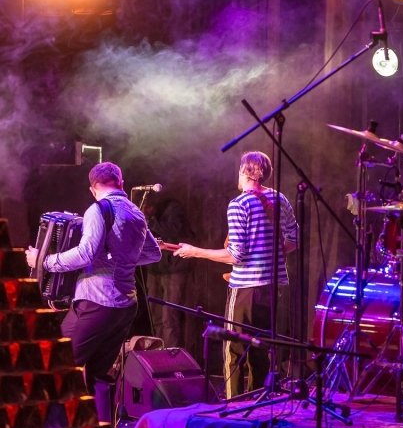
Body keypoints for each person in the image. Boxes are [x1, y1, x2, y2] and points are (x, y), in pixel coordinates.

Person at [25, 162, 162, 394]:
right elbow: (153, 253)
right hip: (125, 306)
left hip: (97, 302)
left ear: (92, 188)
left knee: (56, 365)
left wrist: (43, 261)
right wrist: (120, 259)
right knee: (99, 376)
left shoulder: (98, 209)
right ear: (122, 183)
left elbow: (85, 253)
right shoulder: (136, 212)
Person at [173, 151, 298, 398]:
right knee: (262, 348)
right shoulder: (280, 199)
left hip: (246, 290)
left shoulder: (239, 204)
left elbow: (235, 256)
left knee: (235, 350)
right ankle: (259, 406)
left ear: (244, 171)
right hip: (274, 287)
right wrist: (267, 258)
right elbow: (293, 241)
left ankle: (234, 407)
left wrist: (195, 251)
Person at [143, 193, 195, 349]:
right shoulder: (150, 214)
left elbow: (174, 231)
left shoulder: (173, 209)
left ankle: (170, 358)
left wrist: (150, 221)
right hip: (154, 268)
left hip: (174, 269)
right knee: (155, 316)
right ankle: (157, 354)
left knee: (169, 318)